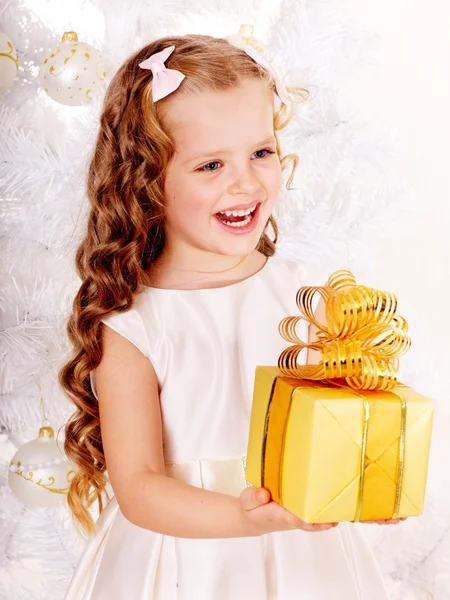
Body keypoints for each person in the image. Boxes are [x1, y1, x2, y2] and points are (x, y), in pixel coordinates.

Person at [60, 30, 403, 600]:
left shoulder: (305, 298)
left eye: (261, 153)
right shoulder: (134, 328)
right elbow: (140, 488)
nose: (246, 182)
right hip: (185, 565)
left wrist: (367, 475)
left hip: (303, 554)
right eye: (211, 164)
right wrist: (251, 519)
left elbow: (340, 415)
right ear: (147, 180)